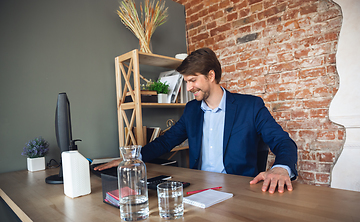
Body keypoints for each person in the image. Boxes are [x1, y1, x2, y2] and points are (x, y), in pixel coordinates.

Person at [95, 48, 298, 194]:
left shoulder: (250, 106)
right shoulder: (192, 110)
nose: (189, 87)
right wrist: (132, 159)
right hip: (199, 189)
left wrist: (281, 168)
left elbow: (283, 142)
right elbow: (166, 141)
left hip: (240, 190)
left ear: (211, 75)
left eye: (193, 80)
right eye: (187, 82)